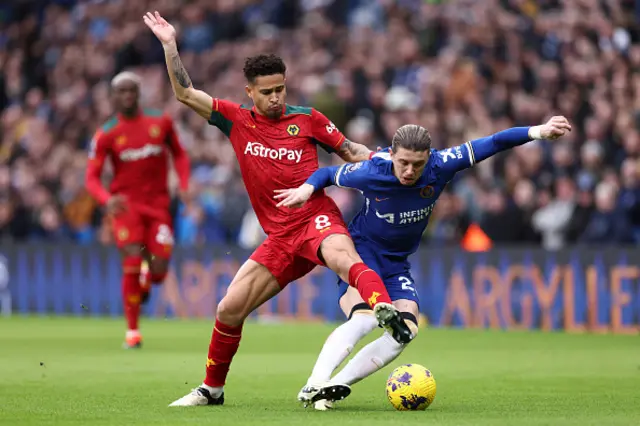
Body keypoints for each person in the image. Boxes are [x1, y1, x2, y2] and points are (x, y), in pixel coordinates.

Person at [142, 10, 413, 407]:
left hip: (315, 217)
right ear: (249, 91)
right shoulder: (235, 119)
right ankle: (211, 389)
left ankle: (382, 308)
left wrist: (385, 161)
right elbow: (185, 93)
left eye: (281, 89)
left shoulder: (307, 120)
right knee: (230, 307)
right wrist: (170, 45)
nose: (276, 98)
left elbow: (350, 151)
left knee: (342, 256)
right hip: (280, 237)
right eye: (267, 91)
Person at [275, 117, 572, 409]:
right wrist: (307, 189)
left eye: (417, 164)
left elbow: (493, 142)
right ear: (391, 155)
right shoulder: (373, 170)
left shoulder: (441, 165)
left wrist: (538, 131)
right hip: (362, 254)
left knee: (405, 330)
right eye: (403, 162)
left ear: (428, 157)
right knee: (365, 318)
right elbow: (328, 174)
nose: (409, 170)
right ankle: (315, 382)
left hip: (396, 263)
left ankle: (333, 386)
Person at [85, 71, 190, 349]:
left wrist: (184, 182)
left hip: (159, 206)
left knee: (159, 271)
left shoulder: (161, 121)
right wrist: (106, 199)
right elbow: (91, 177)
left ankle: (147, 279)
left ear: (139, 93)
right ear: (113, 97)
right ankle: (133, 332)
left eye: (132, 90)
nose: (128, 95)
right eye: (122, 91)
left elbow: (179, 153)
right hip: (126, 206)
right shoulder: (106, 134)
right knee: (131, 261)